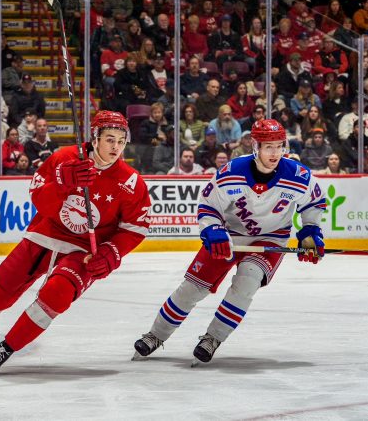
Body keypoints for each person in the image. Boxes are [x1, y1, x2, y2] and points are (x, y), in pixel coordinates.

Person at [0, 111, 151, 375]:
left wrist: (111, 253)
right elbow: (40, 201)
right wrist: (62, 182)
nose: (116, 147)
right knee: (2, 287)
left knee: (56, 295)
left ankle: (5, 348)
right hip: (45, 234)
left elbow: (135, 228)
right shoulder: (65, 158)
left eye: (121, 141)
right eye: (110, 139)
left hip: (82, 252)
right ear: (95, 137)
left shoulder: (131, 182)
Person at [133, 119, 326, 364]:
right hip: (229, 236)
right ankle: (155, 335)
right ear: (255, 146)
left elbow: (313, 204)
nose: (275, 153)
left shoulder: (299, 175)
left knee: (247, 281)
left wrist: (310, 231)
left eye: (279, 146)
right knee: (192, 289)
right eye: (268, 147)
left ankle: (212, 338)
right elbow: (209, 205)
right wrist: (213, 229)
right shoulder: (232, 172)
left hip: (270, 239)